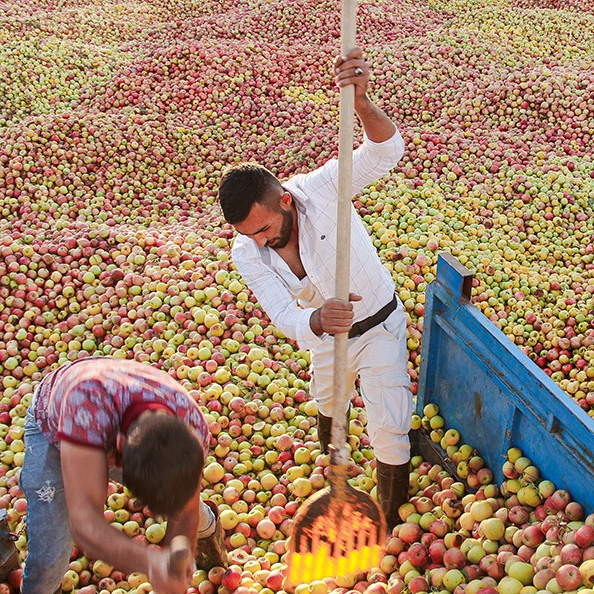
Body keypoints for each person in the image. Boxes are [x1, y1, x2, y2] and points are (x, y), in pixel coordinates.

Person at [217, 46, 411, 529]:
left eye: (264, 229)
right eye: (250, 236)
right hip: (327, 338)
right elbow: (283, 315)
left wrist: (363, 104)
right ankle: (336, 469)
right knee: (328, 400)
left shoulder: (323, 188)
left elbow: (386, 152)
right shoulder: (247, 252)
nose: (261, 241)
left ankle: (389, 524)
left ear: (284, 200)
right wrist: (319, 319)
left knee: (389, 425)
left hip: (379, 325)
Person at [19, 356, 226, 594]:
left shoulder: (195, 430)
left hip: (116, 407)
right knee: (49, 552)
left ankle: (211, 543)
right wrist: (150, 563)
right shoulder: (85, 407)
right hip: (56, 423)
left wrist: (176, 567)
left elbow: (186, 512)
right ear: (117, 449)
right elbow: (84, 521)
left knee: (186, 501)